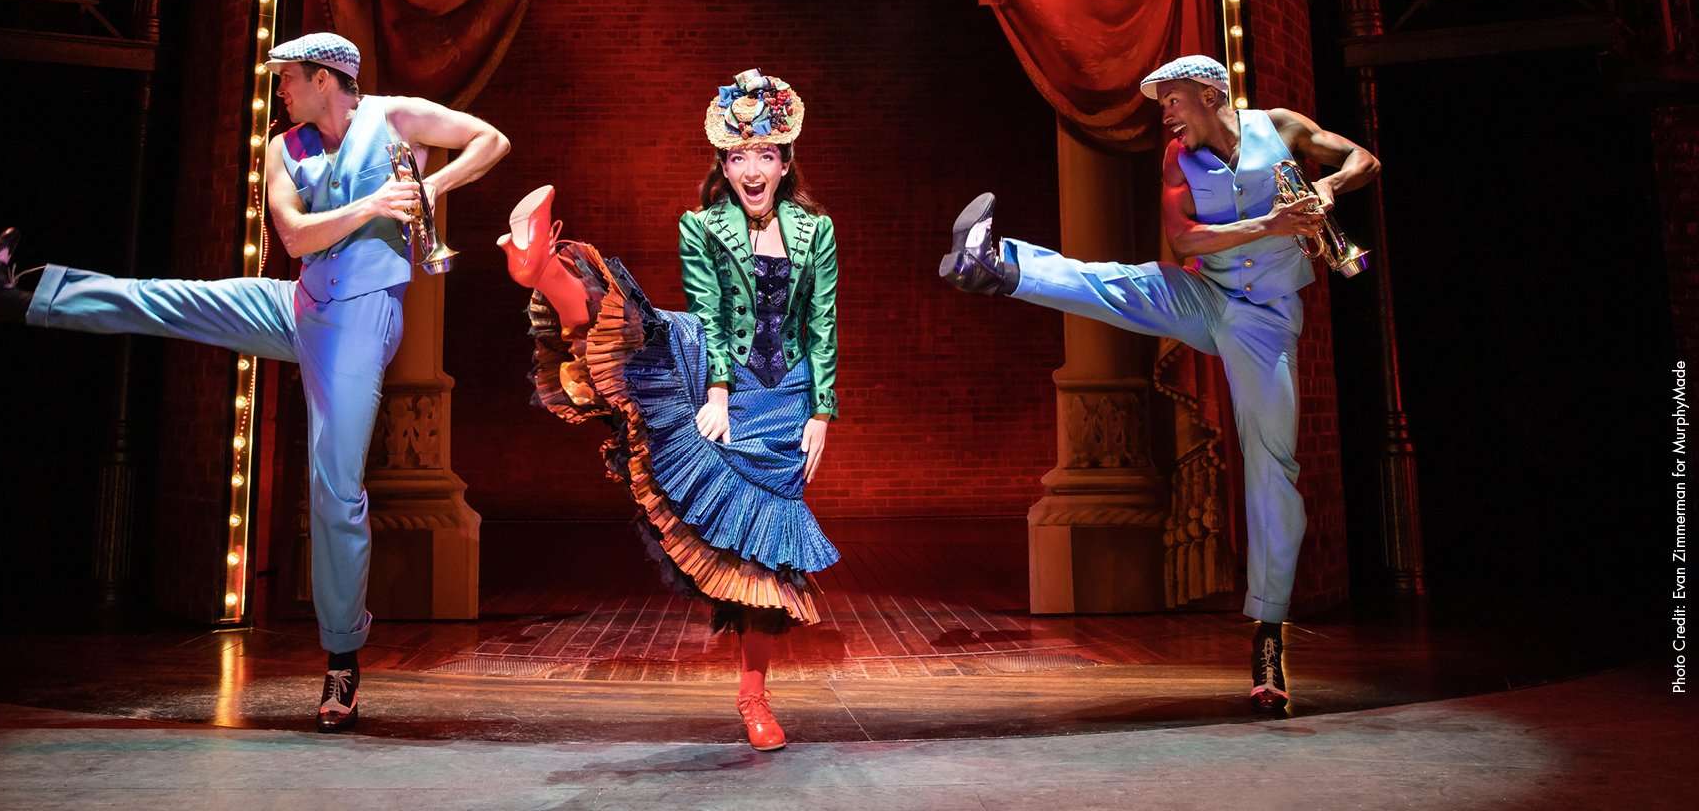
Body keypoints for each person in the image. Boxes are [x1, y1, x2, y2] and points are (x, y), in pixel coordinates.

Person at [0, 32, 510, 732]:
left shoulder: (394, 118)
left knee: (333, 487)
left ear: (325, 79)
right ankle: (15, 298)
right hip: (305, 304)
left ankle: (342, 658)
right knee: (172, 299)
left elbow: (490, 139)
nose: (280, 91)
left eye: (289, 79)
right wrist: (373, 207)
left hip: (362, 322)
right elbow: (296, 239)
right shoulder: (285, 148)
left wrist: (429, 187)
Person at [938, 54, 1379, 715]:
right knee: (1119, 283)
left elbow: (1364, 159)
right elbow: (1184, 240)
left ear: (1206, 94)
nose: (1166, 115)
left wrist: (1328, 191)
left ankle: (1267, 639)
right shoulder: (1178, 159)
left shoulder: (1281, 128)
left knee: (1272, 467)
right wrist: (1272, 224)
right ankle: (994, 265)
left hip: (1265, 324)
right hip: (1208, 297)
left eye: (1172, 101)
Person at [501, 68, 841, 750]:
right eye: (737, 156)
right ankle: (542, 267)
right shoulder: (703, 226)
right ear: (722, 164)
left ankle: (754, 696)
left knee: (768, 552)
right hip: (716, 367)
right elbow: (711, 310)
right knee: (636, 342)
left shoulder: (816, 230)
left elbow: (823, 321)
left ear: (784, 162)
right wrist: (715, 392)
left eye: (764, 155)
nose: (751, 169)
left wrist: (821, 412)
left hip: (787, 399)